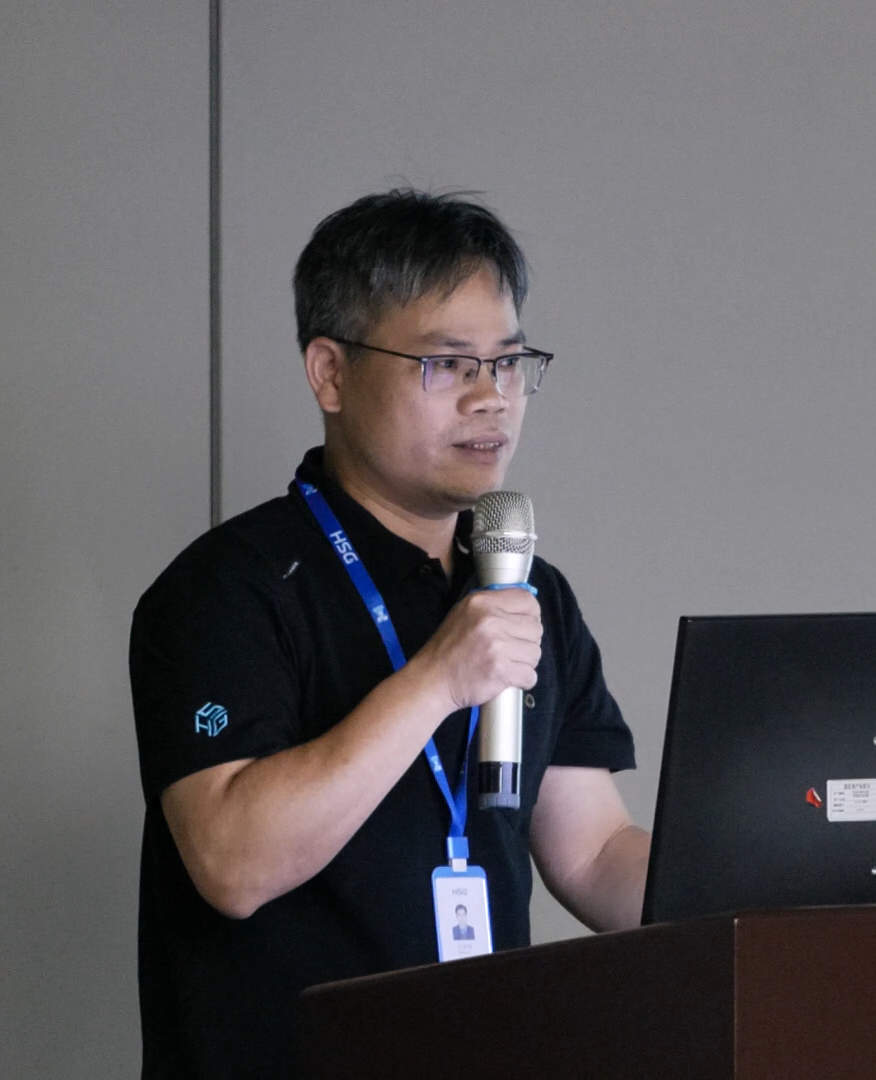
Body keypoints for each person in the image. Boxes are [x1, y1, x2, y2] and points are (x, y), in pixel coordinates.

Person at [128, 189, 649, 1079]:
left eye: (509, 363)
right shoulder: (227, 589)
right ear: (330, 373)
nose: (491, 399)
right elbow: (233, 860)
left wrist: (775, 881)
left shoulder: (525, 588)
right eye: (446, 365)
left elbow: (595, 852)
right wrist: (436, 682)